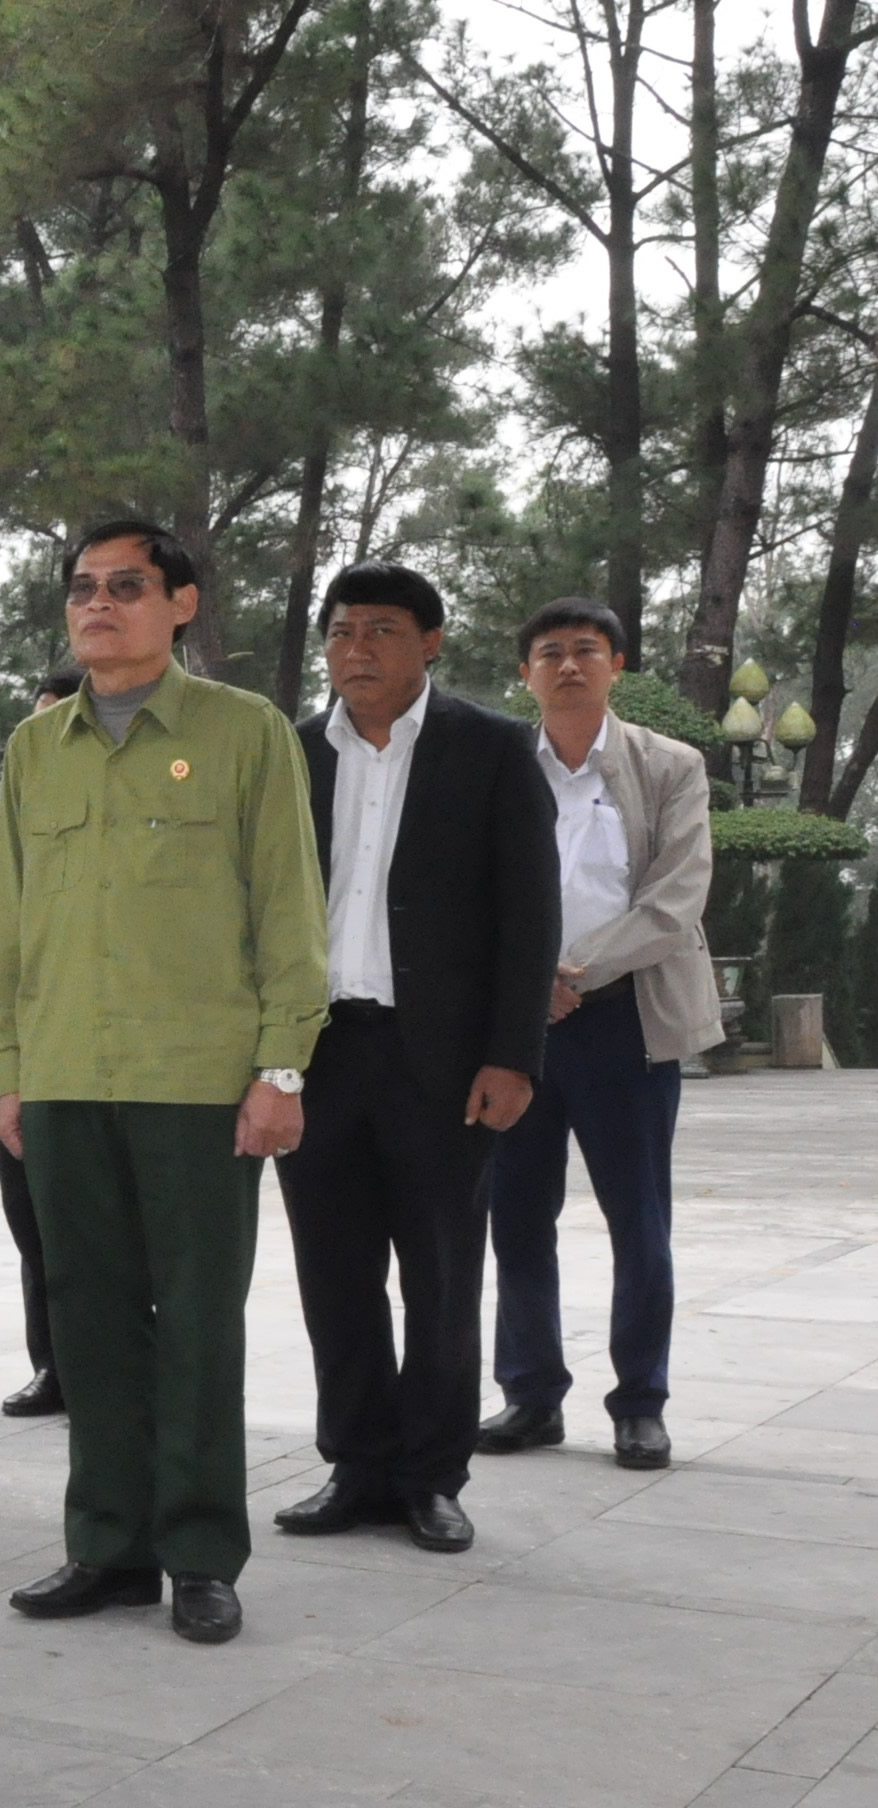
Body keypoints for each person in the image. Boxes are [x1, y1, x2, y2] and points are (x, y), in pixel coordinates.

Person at [0, 519, 328, 1646]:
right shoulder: (35, 747)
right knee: (84, 1321)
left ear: (179, 603)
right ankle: (106, 1543)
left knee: (193, 1322)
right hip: (68, 1076)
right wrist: (15, 1071)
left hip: (196, 1082)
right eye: (82, 588)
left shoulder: (242, 733)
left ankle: (196, 1551)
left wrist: (280, 1065)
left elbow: (286, 908)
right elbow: (8, 924)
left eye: (125, 586)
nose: (97, 605)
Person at [272, 564, 559, 1556]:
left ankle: (430, 1475)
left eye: (381, 630)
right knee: (332, 1271)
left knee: (438, 1273)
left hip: (438, 1060)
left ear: (430, 641)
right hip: (316, 1055)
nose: (355, 649)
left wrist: (512, 1054)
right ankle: (353, 1465)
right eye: (341, 631)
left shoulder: (487, 748)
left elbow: (528, 913)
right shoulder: (292, 751)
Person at [480, 599, 722, 1472]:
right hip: (517, 1029)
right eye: (550, 653)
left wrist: (569, 973)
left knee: (639, 1217)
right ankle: (530, 1395)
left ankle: (641, 1404)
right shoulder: (496, 764)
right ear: (526, 673)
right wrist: (524, 989)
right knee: (515, 1215)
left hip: (628, 1023)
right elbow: (469, 891)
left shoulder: (671, 766)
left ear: (618, 664)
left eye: (588, 651)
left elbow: (674, 899)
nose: (569, 665)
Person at [0, 672, 82, 1420]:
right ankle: (53, 1365)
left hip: (106, 1042)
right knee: (30, 1217)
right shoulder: (4, 821)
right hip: (20, 1048)